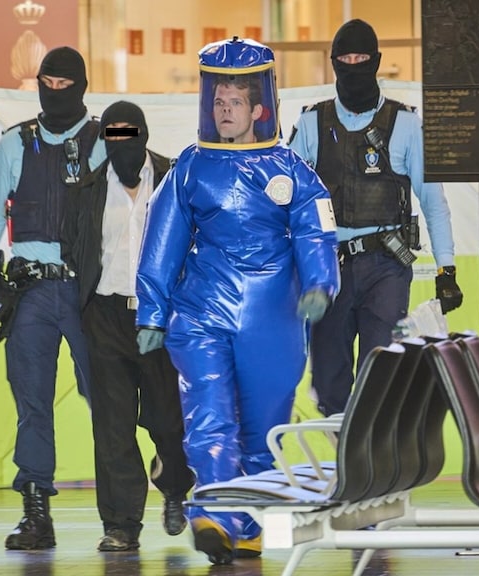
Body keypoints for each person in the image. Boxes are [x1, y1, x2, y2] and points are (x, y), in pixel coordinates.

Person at [135, 37, 340, 565]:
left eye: (234, 104)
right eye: (217, 102)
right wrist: (154, 311)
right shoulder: (190, 168)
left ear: (257, 109)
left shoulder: (292, 171)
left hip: (272, 316)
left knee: (261, 427)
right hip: (202, 311)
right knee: (209, 413)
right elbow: (162, 241)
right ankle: (214, 513)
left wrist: (319, 284)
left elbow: (315, 233)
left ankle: (243, 527)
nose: (224, 112)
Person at [0, 46, 106, 550]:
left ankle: (136, 495)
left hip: (90, 290)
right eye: (48, 82)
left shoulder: (108, 135)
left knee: (107, 397)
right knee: (32, 403)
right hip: (29, 292)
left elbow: (139, 189)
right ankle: (36, 514)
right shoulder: (14, 143)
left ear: (83, 86)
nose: (56, 92)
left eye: (66, 84)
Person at [287, 19, 463, 417]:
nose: (353, 65)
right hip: (328, 267)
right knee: (329, 382)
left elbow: (433, 201)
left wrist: (446, 269)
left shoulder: (406, 124)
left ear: (376, 61)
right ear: (333, 63)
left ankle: (378, 472)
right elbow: (289, 202)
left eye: (361, 58)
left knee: (380, 374)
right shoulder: (313, 124)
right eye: (345, 59)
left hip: (386, 265)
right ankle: (346, 468)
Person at [60, 100, 193, 552]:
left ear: (145, 133)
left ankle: (175, 488)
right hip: (106, 315)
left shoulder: (175, 178)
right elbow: (73, 244)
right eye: (113, 135)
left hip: (161, 315)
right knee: (113, 427)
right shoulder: (90, 188)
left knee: (168, 422)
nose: (123, 143)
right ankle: (122, 525)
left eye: (130, 132)